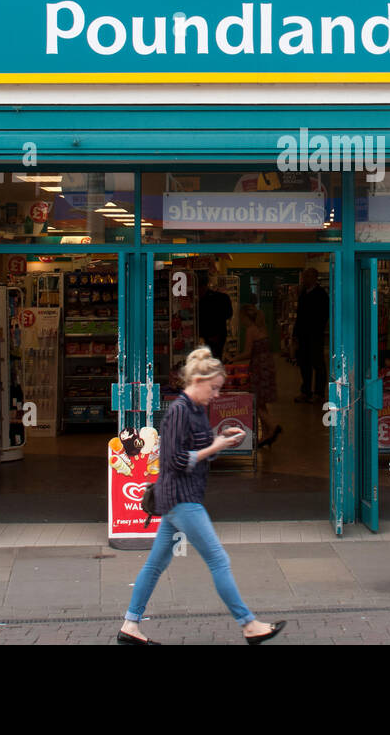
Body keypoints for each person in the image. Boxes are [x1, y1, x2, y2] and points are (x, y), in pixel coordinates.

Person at [119, 346, 285, 645]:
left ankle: (130, 625)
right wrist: (215, 447)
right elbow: (176, 460)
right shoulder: (178, 412)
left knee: (156, 564)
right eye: (214, 388)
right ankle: (248, 624)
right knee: (219, 560)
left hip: (179, 498)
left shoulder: (195, 410)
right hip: (181, 499)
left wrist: (222, 441)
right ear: (197, 381)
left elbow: (199, 450)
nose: (217, 394)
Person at [239, 303, 281, 448]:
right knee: (262, 401)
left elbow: (248, 352)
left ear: (245, 317)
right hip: (267, 365)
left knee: (255, 402)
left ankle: (273, 425)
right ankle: (266, 435)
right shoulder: (262, 328)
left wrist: (233, 358)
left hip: (258, 367)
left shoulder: (250, 330)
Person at [294, 267, 329, 405]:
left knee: (318, 363)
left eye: (307, 276)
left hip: (315, 335)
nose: (304, 279)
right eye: (304, 276)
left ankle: (319, 393)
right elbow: (299, 316)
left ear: (315, 277)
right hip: (302, 335)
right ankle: (306, 391)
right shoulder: (303, 294)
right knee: (304, 364)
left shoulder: (321, 294)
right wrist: (295, 334)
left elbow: (324, 315)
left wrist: (316, 329)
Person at [198, 272, 233, 360]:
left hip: (211, 336)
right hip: (217, 336)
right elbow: (229, 314)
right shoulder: (223, 297)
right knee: (215, 360)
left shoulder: (203, 300)